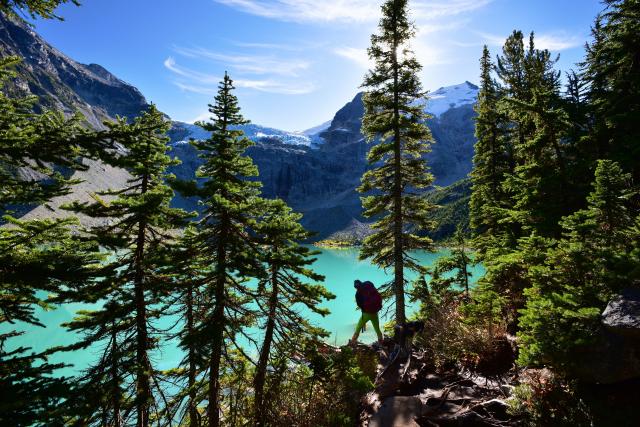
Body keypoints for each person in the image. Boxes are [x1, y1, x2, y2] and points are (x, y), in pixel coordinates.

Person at [349, 279, 383, 345]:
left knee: (358, 328)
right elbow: (377, 294)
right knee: (377, 329)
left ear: (356, 287)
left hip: (366, 314)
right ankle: (381, 342)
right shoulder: (368, 284)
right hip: (375, 313)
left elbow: (359, 305)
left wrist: (364, 308)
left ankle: (352, 343)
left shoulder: (358, 294)